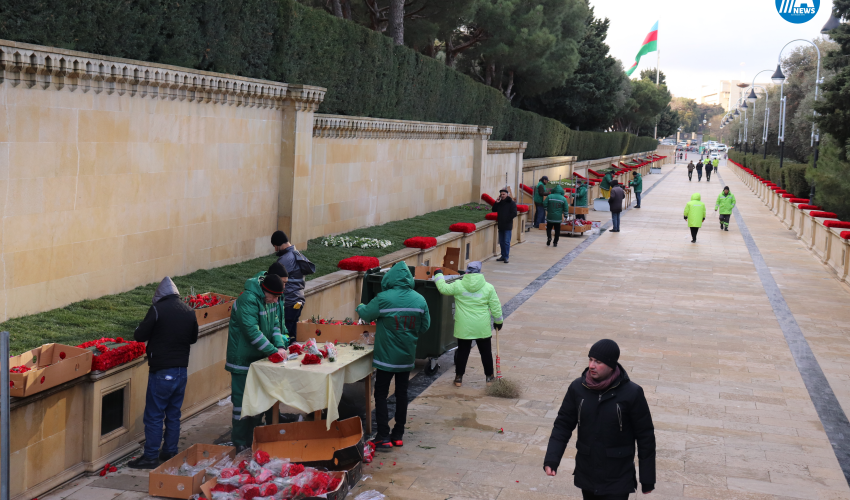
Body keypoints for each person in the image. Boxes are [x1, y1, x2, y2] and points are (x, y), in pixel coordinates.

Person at [543, 339, 656, 499]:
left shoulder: (632, 393)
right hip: (587, 473)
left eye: (598, 361)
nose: (591, 365)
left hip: (618, 477)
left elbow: (645, 436)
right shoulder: (577, 388)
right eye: (590, 359)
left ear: (611, 365)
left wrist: (647, 479)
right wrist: (552, 459)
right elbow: (562, 425)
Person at [356, 262, 430, 451]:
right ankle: (398, 435)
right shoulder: (420, 300)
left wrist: (360, 305)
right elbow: (425, 326)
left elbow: (366, 313)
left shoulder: (383, 298)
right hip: (406, 356)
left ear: (390, 279)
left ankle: (383, 435)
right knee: (402, 394)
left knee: (380, 394)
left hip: (385, 358)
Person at [128, 277, 199, 468]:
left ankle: (150, 456)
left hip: (162, 371)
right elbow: (193, 338)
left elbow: (139, 335)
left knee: (154, 415)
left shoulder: (158, 309)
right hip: (181, 371)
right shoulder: (189, 310)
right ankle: (169, 451)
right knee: (173, 414)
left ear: (159, 295)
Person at [226, 273, 288, 452]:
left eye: (278, 297)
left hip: (259, 360)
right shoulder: (248, 300)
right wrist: (272, 351)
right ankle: (239, 441)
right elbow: (252, 332)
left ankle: (252, 439)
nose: (276, 301)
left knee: (257, 401)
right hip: (242, 361)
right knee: (242, 403)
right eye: (274, 297)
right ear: (265, 291)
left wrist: (280, 346)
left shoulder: (269, 301)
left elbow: (275, 326)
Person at [435, 262, 503, 388]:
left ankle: (458, 378)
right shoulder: (488, 287)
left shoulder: (458, 285)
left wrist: (438, 274)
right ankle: (489, 377)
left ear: (467, 271)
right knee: (486, 352)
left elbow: (443, 289)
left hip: (463, 325)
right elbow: (495, 306)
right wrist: (498, 321)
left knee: (463, 352)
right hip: (481, 326)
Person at [272, 231, 316, 336]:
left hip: (289, 301)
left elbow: (273, 279)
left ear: (278, 244)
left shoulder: (286, 259)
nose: (274, 250)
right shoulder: (297, 254)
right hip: (298, 300)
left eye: (274, 246)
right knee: (292, 332)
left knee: (286, 334)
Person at [492, 187, 517, 263]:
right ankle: (503, 256)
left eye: (504, 194)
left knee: (506, 242)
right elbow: (494, 210)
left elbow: (514, 213)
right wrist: (496, 202)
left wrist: (507, 219)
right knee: (501, 242)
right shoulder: (500, 202)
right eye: (501, 194)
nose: (502, 195)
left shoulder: (511, 203)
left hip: (507, 225)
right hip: (501, 224)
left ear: (507, 194)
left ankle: (506, 256)